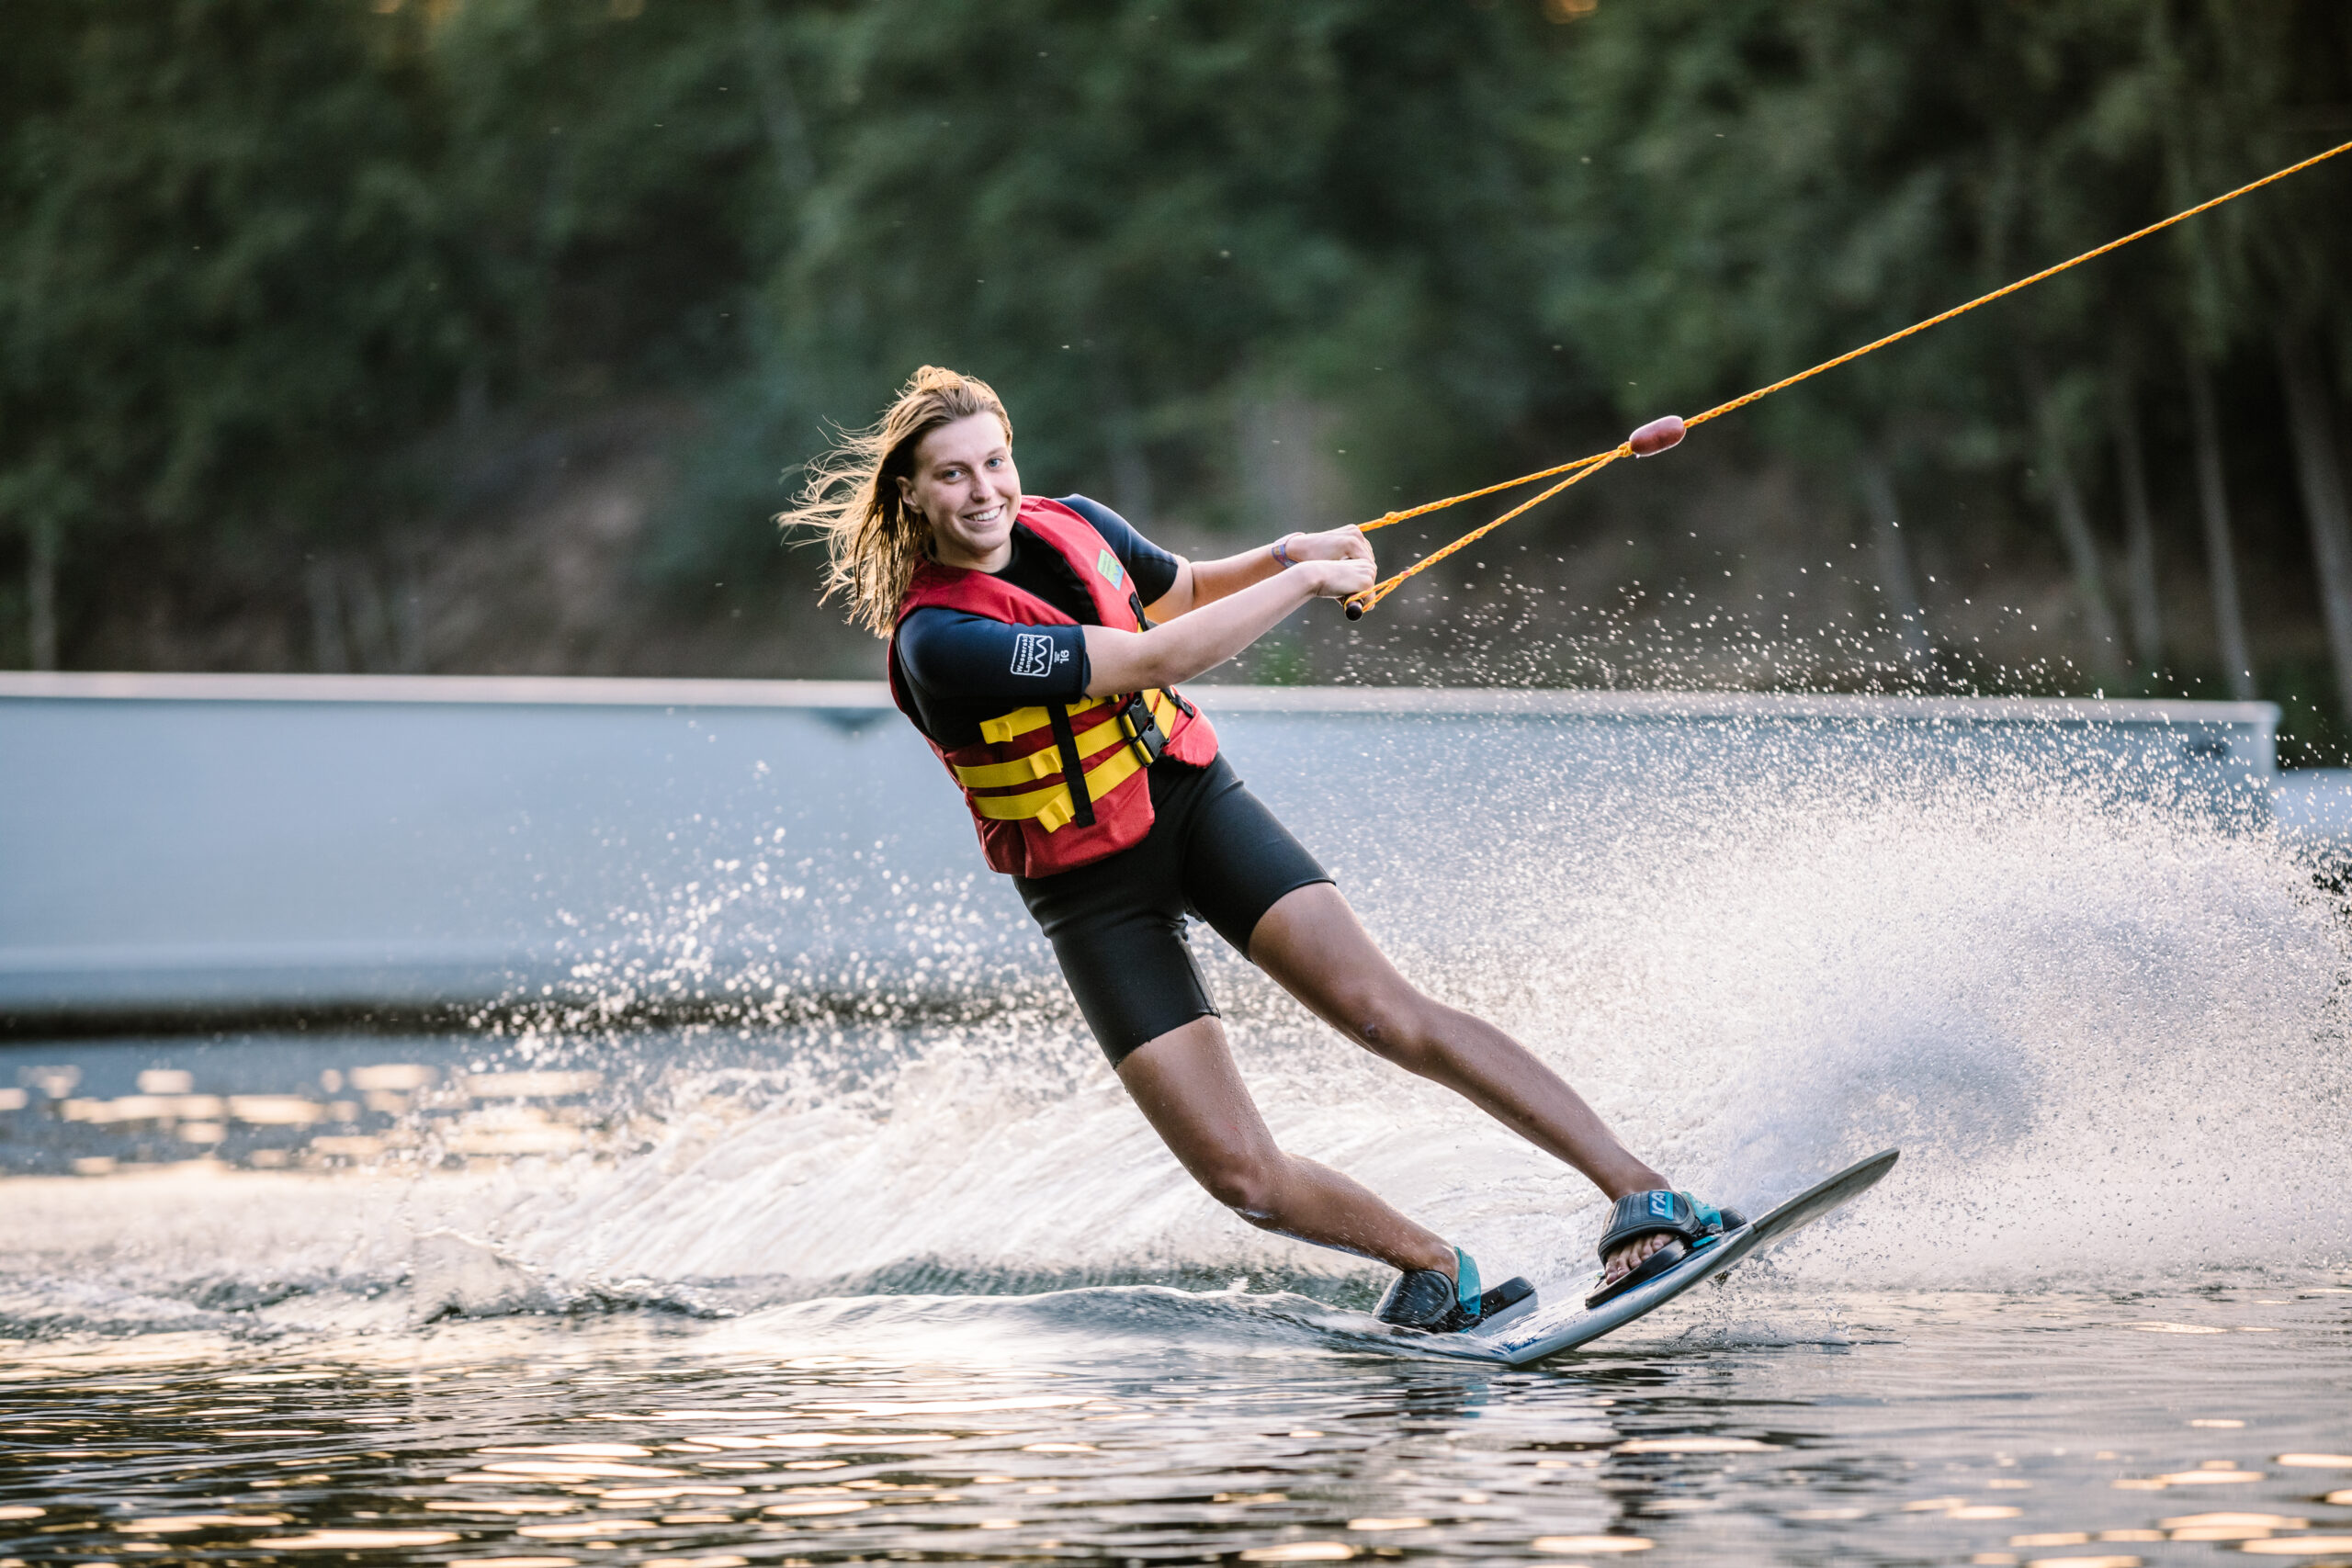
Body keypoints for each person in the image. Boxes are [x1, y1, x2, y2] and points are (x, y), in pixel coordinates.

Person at [789, 365, 1739, 1330]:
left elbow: (1182, 591)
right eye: (952, 475)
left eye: (995, 461)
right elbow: (1156, 656)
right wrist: (1305, 581)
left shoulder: (1070, 520)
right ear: (909, 493)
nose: (985, 491)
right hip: (1089, 894)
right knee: (1242, 1176)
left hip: (1193, 804)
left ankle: (1646, 1196)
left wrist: (1285, 549)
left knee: (1384, 1015)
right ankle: (1435, 1268)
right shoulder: (939, 639)